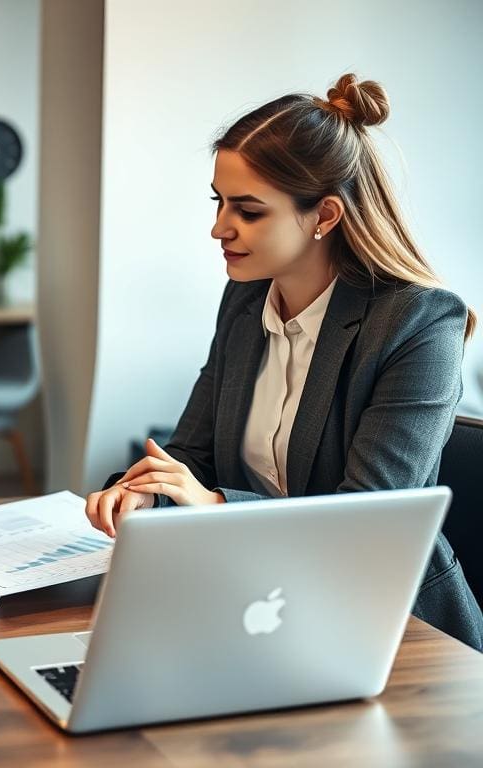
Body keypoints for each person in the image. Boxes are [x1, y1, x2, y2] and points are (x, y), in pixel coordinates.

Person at [84, 74, 483, 649]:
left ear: (324, 216)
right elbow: (191, 452)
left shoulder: (418, 324)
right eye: (219, 202)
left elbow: (364, 526)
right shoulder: (246, 298)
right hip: (258, 605)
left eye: (247, 211)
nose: (219, 228)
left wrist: (216, 506)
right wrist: (146, 489)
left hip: (390, 626)